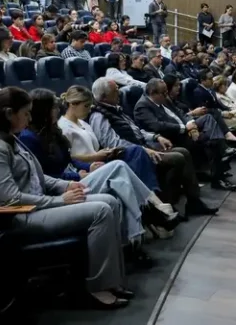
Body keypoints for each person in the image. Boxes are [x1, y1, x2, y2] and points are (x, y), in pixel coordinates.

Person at [0, 87, 132, 308]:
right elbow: (11, 198)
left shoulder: (13, 140)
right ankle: (96, 287)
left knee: (110, 201)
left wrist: (66, 184)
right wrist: (60, 200)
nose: (30, 118)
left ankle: (112, 281)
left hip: (36, 207)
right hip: (18, 217)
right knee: (101, 211)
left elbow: (39, 177)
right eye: (26, 113)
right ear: (9, 114)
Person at [20, 88, 168, 260]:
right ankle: (149, 208)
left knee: (120, 184)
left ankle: (133, 241)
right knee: (118, 167)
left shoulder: (52, 131)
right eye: (53, 107)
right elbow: (44, 176)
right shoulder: (29, 138)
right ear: (43, 110)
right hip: (63, 189)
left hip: (75, 177)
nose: (57, 110)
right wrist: (77, 176)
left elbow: (70, 160)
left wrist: (89, 167)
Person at [89, 78, 217, 215]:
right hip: (131, 156)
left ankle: (193, 202)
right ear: (104, 97)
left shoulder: (116, 110)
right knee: (177, 158)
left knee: (183, 152)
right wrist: (144, 149)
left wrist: (156, 137)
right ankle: (167, 206)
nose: (119, 92)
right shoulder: (99, 116)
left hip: (143, 147)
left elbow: (137, 131)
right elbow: (113, 144)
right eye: (115, 91)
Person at [58, 86, 172, 208]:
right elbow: (68, 158)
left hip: (98, 161)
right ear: (73, 104)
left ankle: (152, 196)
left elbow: (94, 148)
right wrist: (94, 157)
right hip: (86, 167)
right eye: (86, 106)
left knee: (136, 152)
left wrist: (105, 152)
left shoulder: (83, 123)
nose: (89, 110)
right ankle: (151, 199)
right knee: (133, 157)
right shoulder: (63, 127)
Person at [134, 79, 236, 191]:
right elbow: (157, 126)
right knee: (212, 140)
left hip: (185, 129)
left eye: (166, 92)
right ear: (152, 93)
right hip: (171, 137)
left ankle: (220, 163)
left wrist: (190, 125)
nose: (166, 95)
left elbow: (180, 113)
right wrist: (184, 128)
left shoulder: (162, 99)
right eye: (163, 93)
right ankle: (219, 173)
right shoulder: (142, 106)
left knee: (208, 118)